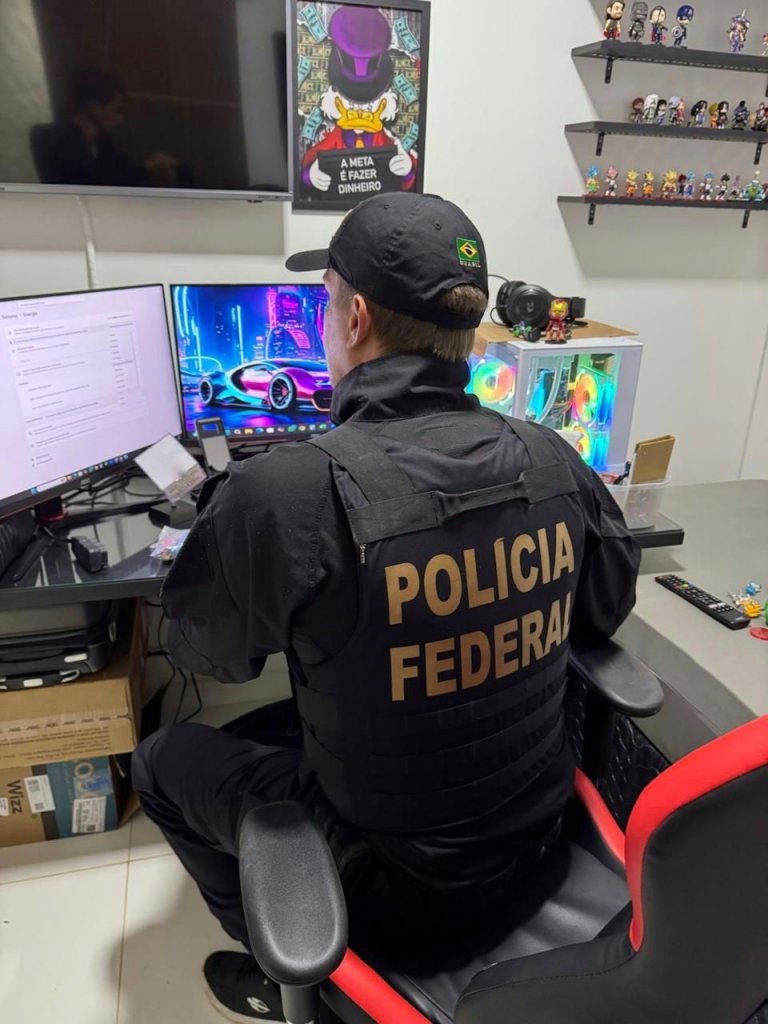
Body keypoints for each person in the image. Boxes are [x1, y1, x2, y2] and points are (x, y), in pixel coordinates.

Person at [132, 193, 641, 1023]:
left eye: (327, 300)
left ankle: (291, 975)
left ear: (356, 317)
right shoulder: (553, 458)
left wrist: (236, 536)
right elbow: (604, 612)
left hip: (395, 905)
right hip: (541, 849)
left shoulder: (287, 491)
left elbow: (208, 654)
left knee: (160, 759)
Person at [30, 69, 178, 187]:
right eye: (117, 110)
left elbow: (124, 170)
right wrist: (147, 167)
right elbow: (93, 180)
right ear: (95, 107)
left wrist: (153, 165)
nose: (121, 119)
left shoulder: (103, 143)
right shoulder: (50, 137)